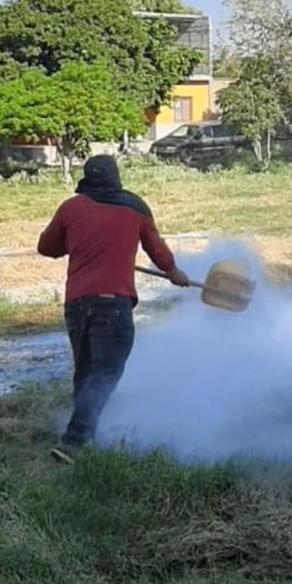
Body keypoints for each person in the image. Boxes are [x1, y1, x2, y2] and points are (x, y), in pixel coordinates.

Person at [37, 154, 190, 462]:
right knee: (105, 372)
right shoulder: (134, 207)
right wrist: (174, 272)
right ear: (116, 176)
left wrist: (79, 240)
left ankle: (86, 439)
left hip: (77, 305)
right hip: (113, 304)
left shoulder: (71, 207)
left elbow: (46, 247)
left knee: (86, 372)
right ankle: (74, 443)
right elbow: (157, 250)